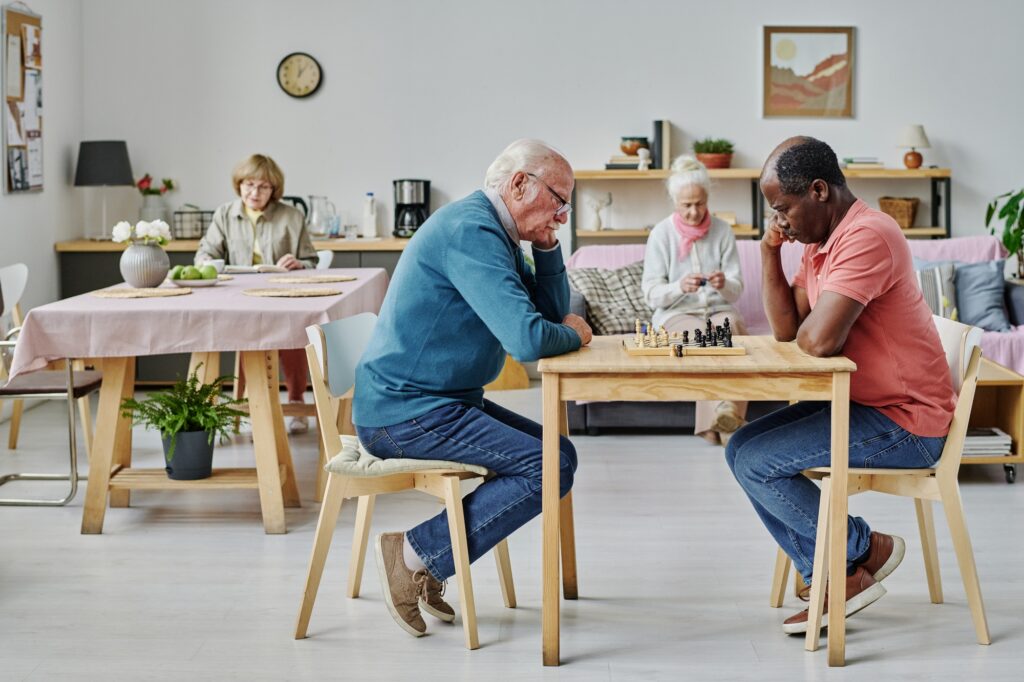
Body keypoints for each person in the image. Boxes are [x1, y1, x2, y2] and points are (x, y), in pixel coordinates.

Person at [352, 139, 592, 637]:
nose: (564, 215)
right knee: (548, 465)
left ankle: (424, 560)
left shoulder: (497, 232)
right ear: (519, 184)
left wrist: (547, 249)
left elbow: (543, 316)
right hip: (404, 413)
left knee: (557, 457)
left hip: (443, 403)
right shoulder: (471, 231)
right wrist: (578, 333)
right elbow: (530, 339)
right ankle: (415, 553)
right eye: (559, 200)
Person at [725, 137, 956, 634]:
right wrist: (769, 250)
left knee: (757, 463)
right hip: (864, 404)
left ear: (818, 191)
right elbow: (789, 328)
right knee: (741, 446)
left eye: (783, 208)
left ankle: (849, 560)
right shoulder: (820, 243)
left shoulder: (868, 236)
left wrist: (811, 326)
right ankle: (850, 562)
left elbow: (819, 340)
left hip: (907, 420)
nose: (779, 219)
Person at [196, 154, 318, 434]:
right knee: (244, 337)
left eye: (263, 187)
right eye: (249, 185)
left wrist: (300, 264)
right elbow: (205, 253)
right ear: (239, 185)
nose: (255, 193)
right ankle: (248, 404)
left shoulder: (292, 216)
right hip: (239, 297)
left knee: (295, 336)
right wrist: (206, 263)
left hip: (283, 296)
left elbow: (311, 260)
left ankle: (297, 403)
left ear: (274, 190)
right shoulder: (224, 214)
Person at [641, 155, 746, 444]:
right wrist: (678, 287)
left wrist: (724, 284)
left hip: (719, 308)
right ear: (675, 202)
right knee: (700, 335)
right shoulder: (661, 234)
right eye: (686, 205)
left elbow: (737, 290)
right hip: (676, 313)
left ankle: (725, 417)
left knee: (729, 327)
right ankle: (727, 422)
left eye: (699, 203)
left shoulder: (723, 231)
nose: (693, 212)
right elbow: (651, 294)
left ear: (707, 198)